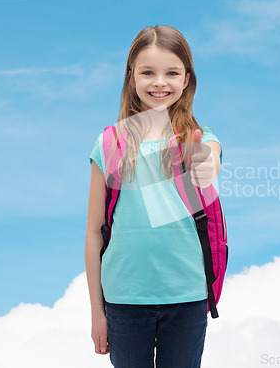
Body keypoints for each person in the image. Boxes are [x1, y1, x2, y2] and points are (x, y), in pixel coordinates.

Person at [85, 25, 223, 368]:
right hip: (123, 298)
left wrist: (209, 162)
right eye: (148, 72)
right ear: (131, 76)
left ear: (186, 79)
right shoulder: (108, 144)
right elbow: (93, 231)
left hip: (188, 295)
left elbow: (211, 153)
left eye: (171, 72)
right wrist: (96, 312)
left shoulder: (197, 137)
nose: (159, 82)